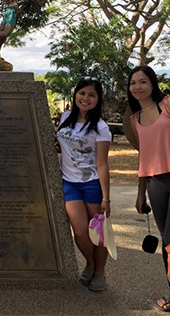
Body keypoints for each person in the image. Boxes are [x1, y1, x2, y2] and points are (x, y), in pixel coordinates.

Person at [122, 66, 170, 312]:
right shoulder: (135, 118)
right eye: (133, 83)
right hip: (155, 184)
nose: (137, 87)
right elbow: (144, 156)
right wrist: (140, 193)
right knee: (169, 242)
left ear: (152, 84)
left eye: (143, 81)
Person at [56, 77, 111, 292]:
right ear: (75, 94)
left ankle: (100, 272)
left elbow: (102, 163)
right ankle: (90, 262)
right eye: (82, 93)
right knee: (80, 231)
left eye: (91, 95)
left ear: (98, 99)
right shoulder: (66, 117)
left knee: (98, 232)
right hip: (69, 182)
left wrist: (106, 197)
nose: (85, 98)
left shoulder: (101, 127)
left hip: (92, 183)